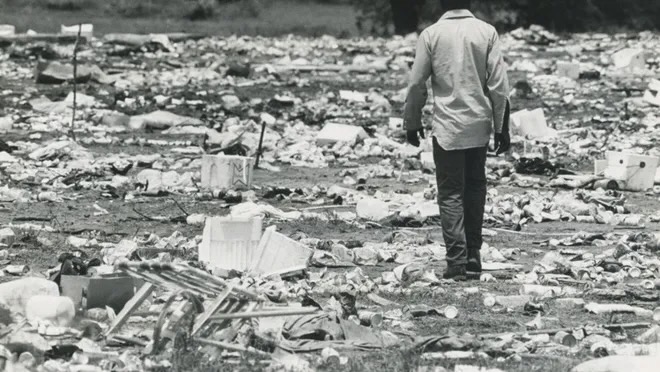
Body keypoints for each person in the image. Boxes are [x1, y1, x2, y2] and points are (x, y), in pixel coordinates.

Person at [403, 0, 510, 281]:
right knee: (475, 188)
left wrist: (412, 122)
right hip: (479, 125)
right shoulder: (486, 32)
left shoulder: (431, 34)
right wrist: (502, 127)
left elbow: (417, 83)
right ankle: (473, 256)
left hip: (448, 126)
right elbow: (498, 85)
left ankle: (456, 261)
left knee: (451, 192)